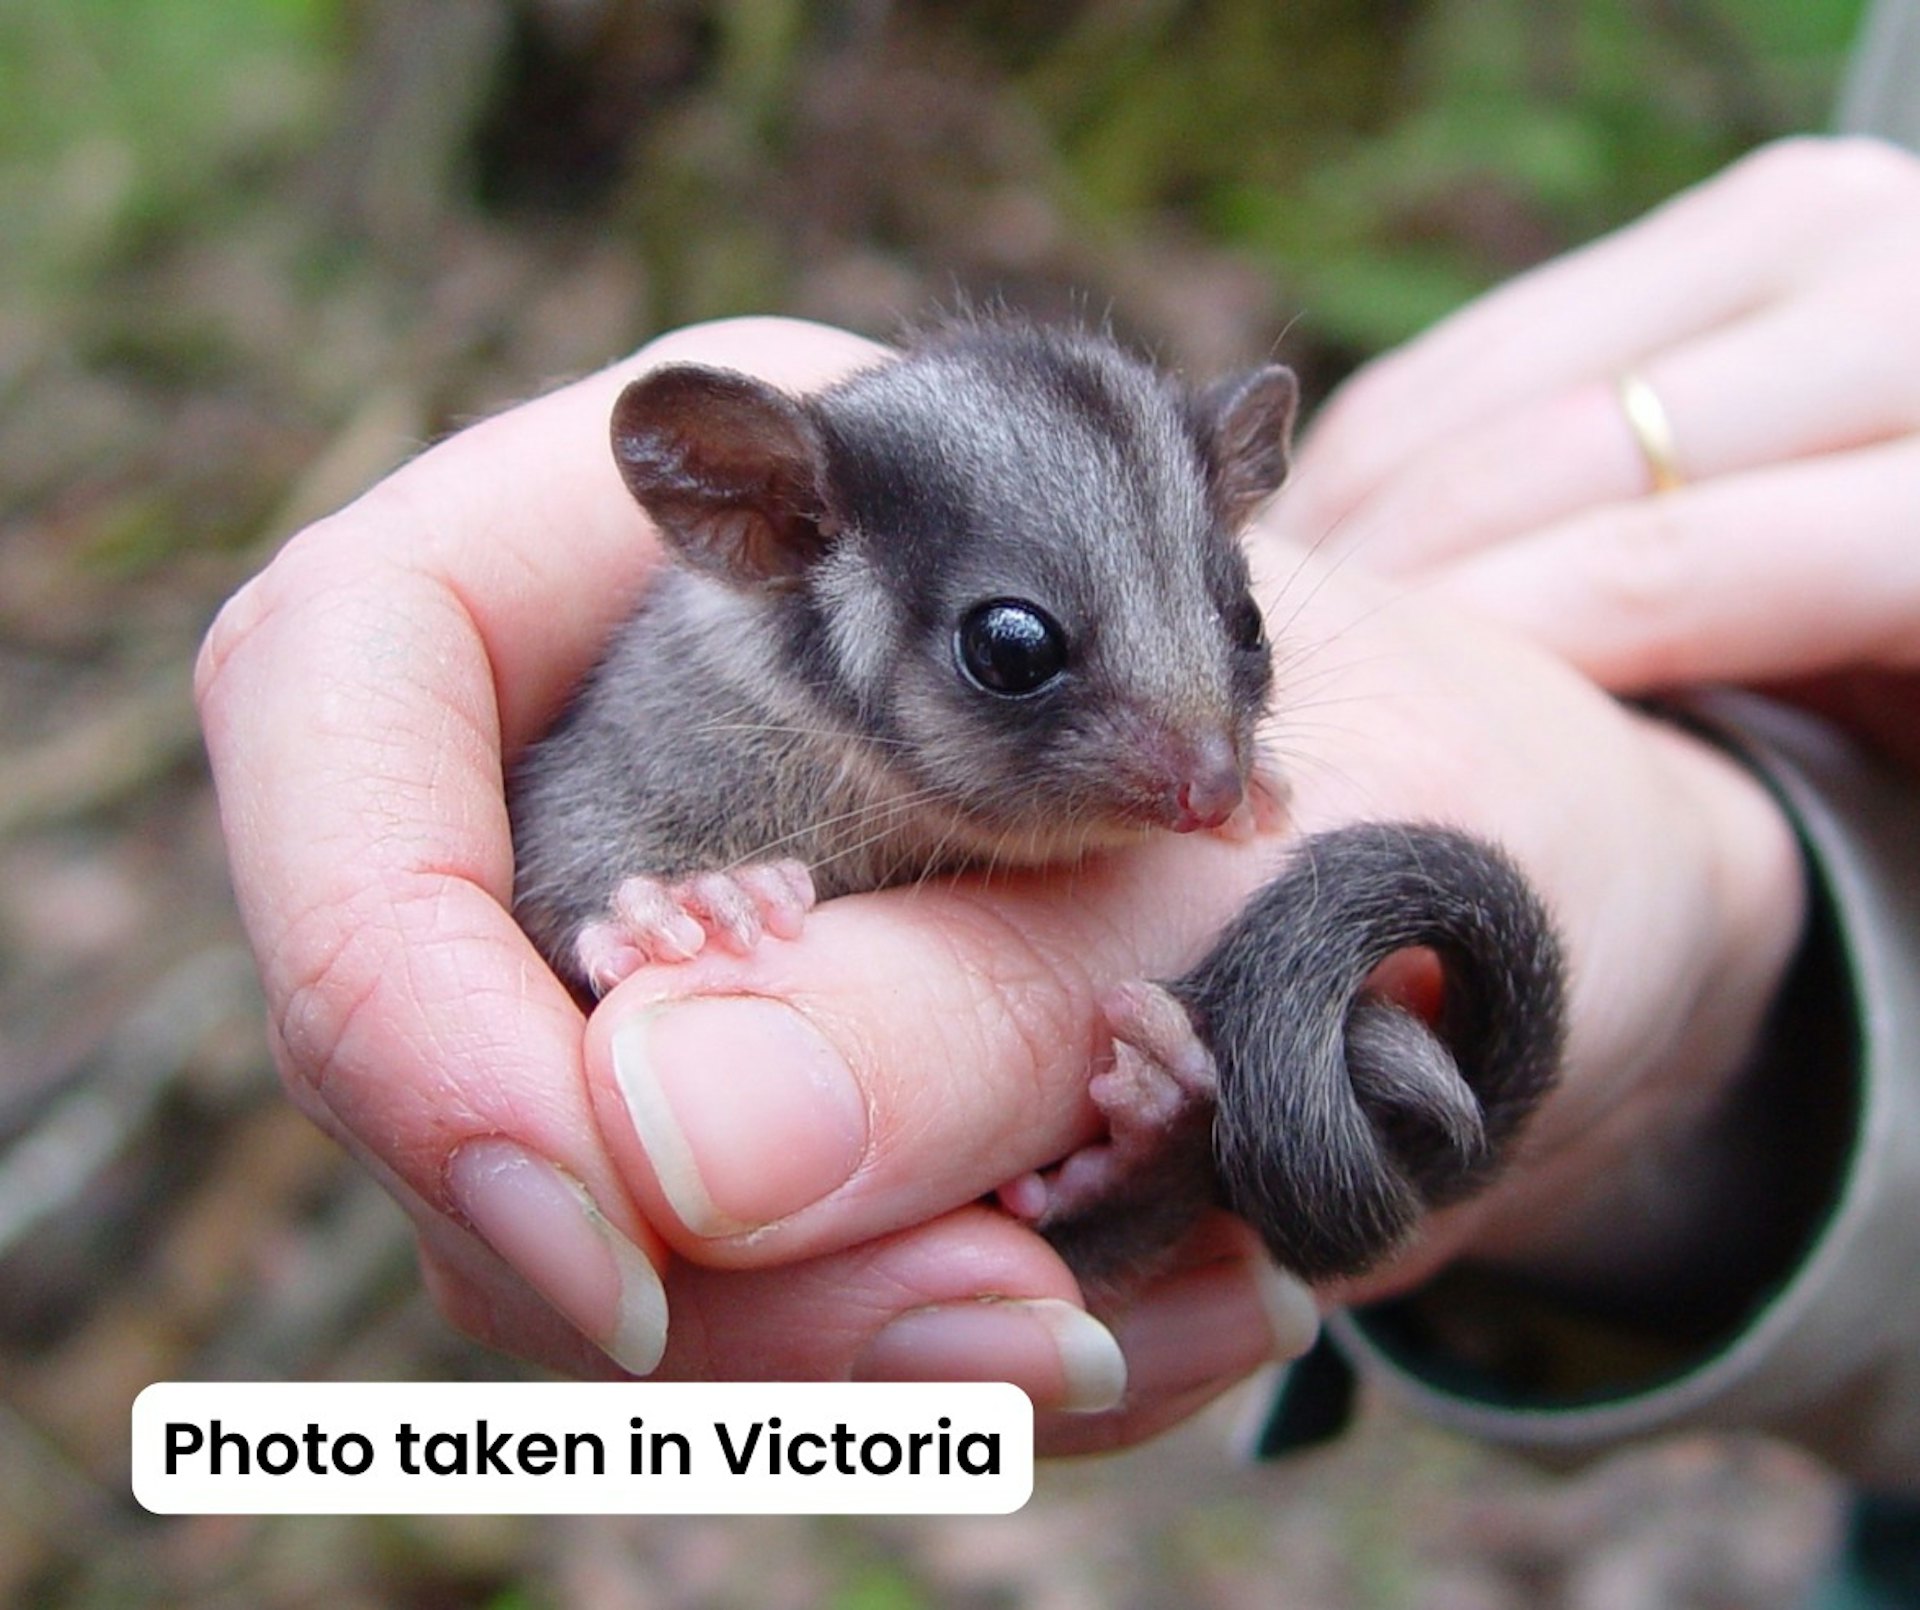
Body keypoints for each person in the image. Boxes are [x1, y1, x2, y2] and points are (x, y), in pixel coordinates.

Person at [196, 137, 1920, 1482]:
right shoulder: (707, 704)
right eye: (1021, 651)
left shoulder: (1207, 774)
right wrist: (621, 926)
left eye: (1232, 639)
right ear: (774, 528)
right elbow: (571, 872)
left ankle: (1161, 1141)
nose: (1202, 772)